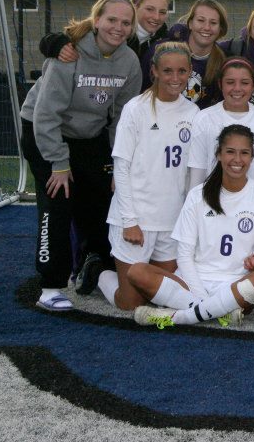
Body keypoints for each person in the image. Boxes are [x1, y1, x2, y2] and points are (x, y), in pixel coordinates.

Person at [20, 0, 142, 311]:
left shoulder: (129, 61)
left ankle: (93, 264)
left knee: (103, 199)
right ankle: (50, 286)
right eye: (111, 19)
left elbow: (122, 119)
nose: (118, 27)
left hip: (89, 137)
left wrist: (118, 163)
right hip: (46, 133)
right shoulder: (68, 54)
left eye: (125, 22)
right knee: (57, 202)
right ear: (97, 20)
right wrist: (59, 163)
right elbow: (46, 114)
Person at [130, 124, 254, 328]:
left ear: (252, 157)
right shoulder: (198, 195)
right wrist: (200, 295)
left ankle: (178, 317)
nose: (237, 159)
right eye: (230, 152)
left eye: (244, 153)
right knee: (136, 272)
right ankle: (218, 313)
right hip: (193, 282)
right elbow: (184, 256)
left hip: (234, 285)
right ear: (218, 154)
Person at [99, 42, 198, 310]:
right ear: (154, 70)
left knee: (166, 299)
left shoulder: (193, 113)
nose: (174, 78)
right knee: (130, 303)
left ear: (190, 71)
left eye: (181, 71)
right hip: (136, 219)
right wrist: (130, 221)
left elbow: (192, 174)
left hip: (171, 222)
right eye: (167, 71)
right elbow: (121, 166)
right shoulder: (136, 108)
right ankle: (100, 274)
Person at [39, 0, 171, 92]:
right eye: (150, 9)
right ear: (135, 6)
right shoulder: (110, 30)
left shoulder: (164, 40)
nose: (156, 17)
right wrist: (58, 45)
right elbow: (52, 40)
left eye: (162, 12)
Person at [188, 57, 254, 190]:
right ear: (220, 84)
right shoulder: (204, 119)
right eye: (230, 82)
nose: (237, 88)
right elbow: (197, 172)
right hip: (213, 204)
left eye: (244, 83)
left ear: (253, 86)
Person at [145, 0, 229, 108]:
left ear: (220, 29)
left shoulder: (223, 61)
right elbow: (142, 92)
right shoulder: (160, 51)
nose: (207, 27)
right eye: (200, 20)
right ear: (190, 23)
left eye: (213, 23)